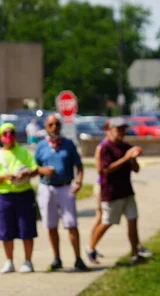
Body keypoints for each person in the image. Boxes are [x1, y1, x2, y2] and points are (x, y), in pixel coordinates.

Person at [86, 117, 152, 265]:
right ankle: (90, 248)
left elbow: (136, 170)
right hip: (111, 192)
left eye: (123, 129)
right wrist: (125, 158)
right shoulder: (105, 147)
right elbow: (105, 170)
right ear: (110, 130)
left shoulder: (126, 146)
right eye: (118, 129)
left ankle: (135, 253)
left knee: (132, 220)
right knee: (107, 222)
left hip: (127, 191)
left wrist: (133, 158)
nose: (121, 132)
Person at [34, 115, 88, 272]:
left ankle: (78, 258)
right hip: (47, 188)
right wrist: (42, 170)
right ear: (46, 127)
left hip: (65, 187)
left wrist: (78, 182)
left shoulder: (68, 144)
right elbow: (34, 167)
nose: (54, 127)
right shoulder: (41, 146)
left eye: (57, 124)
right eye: (50, 124)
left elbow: (79, 166)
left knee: (71, 224)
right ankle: (56, 258)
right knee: (51, 225)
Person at [0, 123, 52, 274]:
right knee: (6, 231)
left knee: (26, 229)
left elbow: (35, 169)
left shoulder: (23, 151)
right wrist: (5, 177)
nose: (9, 137)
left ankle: (28, 261)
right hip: (5, 196)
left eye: (12, 133)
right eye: (5, 134)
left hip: (24, 194)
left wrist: (26, 173)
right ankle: (9, 261)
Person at [89, 119, 111, 259]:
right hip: (102, 185)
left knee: (101, 217)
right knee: (100, 217)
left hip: (108, 186)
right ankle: (91, 246)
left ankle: (92, 246)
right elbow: (100, 170)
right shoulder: (102, 146)